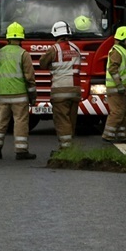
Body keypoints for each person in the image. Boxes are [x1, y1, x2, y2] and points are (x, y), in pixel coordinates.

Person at [0, 22, 37, 160]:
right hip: (19, 95)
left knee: (0, 121)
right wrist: (33, 96)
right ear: (21, 38)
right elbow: (30, 77)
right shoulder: (23, 54)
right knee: (20, 122)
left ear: (8, 37)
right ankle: (21, 150)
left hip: (2, 94)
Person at [39, 21, 82, 154]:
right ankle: (70, 146)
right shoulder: (76, 48)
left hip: (60, 90)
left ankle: (65, 148)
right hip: (75, 90)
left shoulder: (54, 49)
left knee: (61, 119)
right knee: (71, 119)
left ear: (55, 35)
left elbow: (42, 63)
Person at [101, 26, 126, 143]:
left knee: (125, 113)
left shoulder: (123, 51)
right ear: (121, 39)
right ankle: (107, 136)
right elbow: (113, 69)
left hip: (123, 89)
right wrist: (119, 85)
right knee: (117, 113)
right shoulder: (117, 51)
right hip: (116, 89)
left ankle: (121, 136)